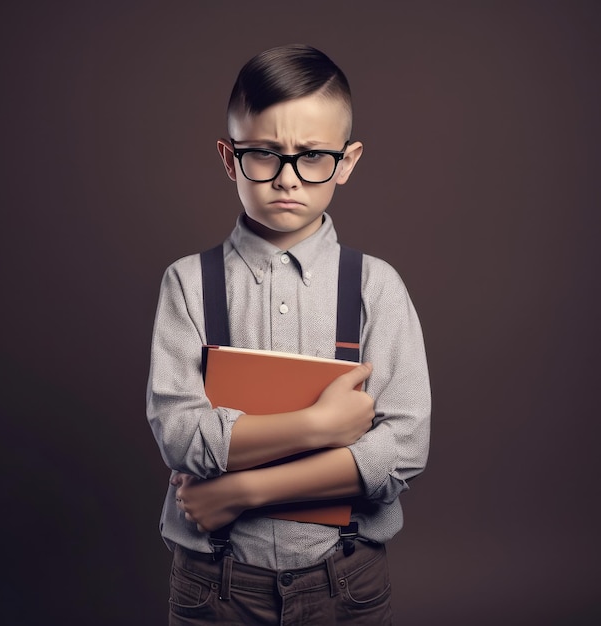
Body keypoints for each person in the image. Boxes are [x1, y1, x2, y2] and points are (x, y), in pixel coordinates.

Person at [147, 43, 431, 625]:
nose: (288, 178)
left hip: (345, 579)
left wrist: (238, 492)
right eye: (265, 155)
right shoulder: (187, 283)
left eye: (312, 156)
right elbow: (181, 435)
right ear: (230, 158)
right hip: (215, 584)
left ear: (347, 162)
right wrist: (318, 426)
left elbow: (400, 451)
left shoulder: (376, 286)